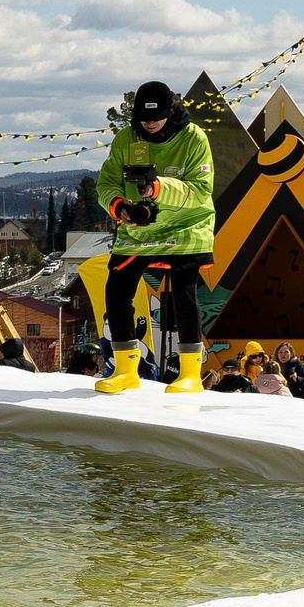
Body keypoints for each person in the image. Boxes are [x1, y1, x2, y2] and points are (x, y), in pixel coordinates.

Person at [93, 80, 216, 395]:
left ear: (171, 111)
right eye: (144, 118)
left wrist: (158, 188)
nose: (150, 123)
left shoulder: (194, 138)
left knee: (183, 294)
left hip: (187, 225)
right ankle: (125, 370)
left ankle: (190, 374)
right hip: (139, 227)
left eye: (157, 117)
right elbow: (107, 182)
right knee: (117, 290)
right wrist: (119, 206)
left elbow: (201, 190)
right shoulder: (126, 138)